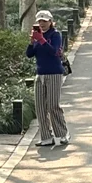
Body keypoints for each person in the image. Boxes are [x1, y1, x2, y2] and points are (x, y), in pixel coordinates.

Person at [26, 10, 69, 148]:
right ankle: (46, 137)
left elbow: (54, 51)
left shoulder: (55, 35)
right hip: (40, 74)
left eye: (45, 21)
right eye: (39, 21)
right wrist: (32, 42)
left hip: (54, 73)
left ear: (51, 22)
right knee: (40, 107)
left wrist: (41, 39)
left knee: (53, 105)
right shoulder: (37, 36)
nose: (42, 24)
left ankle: (62, 134)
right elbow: (29, 54)